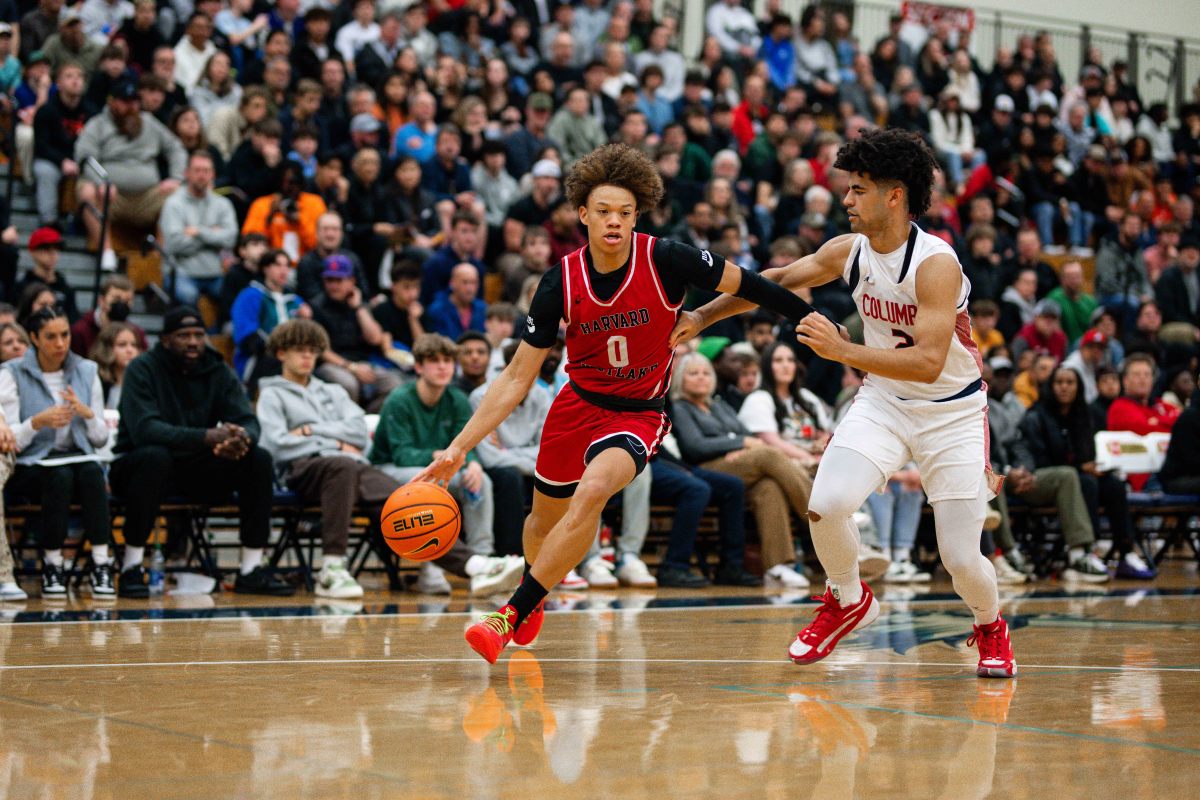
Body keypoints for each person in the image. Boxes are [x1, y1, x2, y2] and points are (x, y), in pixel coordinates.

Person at [412, 142, 817, 664]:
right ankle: (536, 596)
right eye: (603, 211)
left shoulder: (666, 257)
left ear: (636, 216)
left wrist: (805, 319)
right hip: (576, 406)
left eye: (625, 213)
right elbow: (516, 377)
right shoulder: (561, 279)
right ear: (583, 214)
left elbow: (753, 285)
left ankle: (508, 614)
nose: (614, 222)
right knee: (541, 525)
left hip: (639, 413)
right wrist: (458, 447)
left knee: (594, 492)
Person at [676, 128, 1016, 678]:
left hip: (951, 411)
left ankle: (989, 625)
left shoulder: (935, 263)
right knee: (826, 502)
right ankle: (848, 598)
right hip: (884, 400)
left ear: (894, 195)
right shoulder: (848, 251)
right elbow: (774, 281)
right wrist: (699, 318)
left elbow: (929, 361)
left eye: (858, 189)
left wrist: (844, 350)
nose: (846, 199)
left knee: (959, 558)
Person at [257, 320, 522, 599]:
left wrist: (310, 431)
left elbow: (358, 431)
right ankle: (332, 567)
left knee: (410, 500)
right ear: (281, 354)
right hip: (301, 470)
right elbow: (277, 444)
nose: (308, 356)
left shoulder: (332, 391)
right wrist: (335, 441)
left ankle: (474, 564)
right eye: (300, 350)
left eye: (312, 350)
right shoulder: (272, 394)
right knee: (345, 465)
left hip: (350, 470)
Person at [110, 306, 293, 598]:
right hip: (139, 466)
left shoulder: (217, 368)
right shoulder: (142, 368)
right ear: (166, 340)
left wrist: (241, 439)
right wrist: (207, 437)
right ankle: (131, 567)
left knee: (258, 459)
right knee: (154, 456)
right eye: (184, 335)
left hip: (195, 469)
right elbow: (145, 430)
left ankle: (250, 570)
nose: (194, 341)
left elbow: (248, 420)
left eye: (199, 334)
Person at [370, 334, 502, 592]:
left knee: (479, 480)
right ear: (418, 367)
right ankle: (430, 565)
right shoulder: (399, 399)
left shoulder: (457, 400)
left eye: (447, 360)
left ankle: (484, 562)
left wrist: (473, 462)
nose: (442, 366)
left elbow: (467, 443)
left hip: (439, 468)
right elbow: (401, 454)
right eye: (433, 361)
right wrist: (438, 457)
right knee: (430, 483)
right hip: (389, 470)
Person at [669, 352, 812, 588]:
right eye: (693, 374)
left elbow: (745, 432)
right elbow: (695, 446)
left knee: (769, 486)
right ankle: (820, 513)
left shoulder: (718, 405)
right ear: (681, 379)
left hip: (739, 464)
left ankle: (778, 567)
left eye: (706, 373)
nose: (701, 378)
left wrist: (741, 446)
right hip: (704, 467)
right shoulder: (680, 407)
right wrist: (739, 444)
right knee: (768, 453)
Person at [0, 306, 114, 597]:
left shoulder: (87, 370)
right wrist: (38, 422)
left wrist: (88, 414)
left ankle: (101, 562)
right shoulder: (11, 373)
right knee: (59, 475)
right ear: (35, 339)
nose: (61, 343)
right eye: (51, 337)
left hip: (79, 459)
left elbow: (101, 440)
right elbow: (11, 441)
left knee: (91, 472)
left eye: (65, 335)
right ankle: (52, 564)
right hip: (32, 464)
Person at [1021, 365, 1154, 580]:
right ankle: (1087, 550)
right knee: (1087, 483)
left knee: (1113, 485)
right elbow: (1040, 461)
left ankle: (1126, 552)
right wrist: (1082, 468)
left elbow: (1088, 455)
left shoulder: (1084, 414)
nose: (1064, 387)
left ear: (1079, 387)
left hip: (1079, 475)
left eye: (1070, 382)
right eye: (1059, 382)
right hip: (1050, 479)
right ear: (1050, 386)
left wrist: (1094, 467)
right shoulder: (1037, 415)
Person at [74, 75, 187, 271]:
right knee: (86, 192)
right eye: (125, 102)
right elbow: (85, 158)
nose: (130, 107)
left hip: (146, 197)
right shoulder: (98, 124)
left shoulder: (149, 123)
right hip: (111, 196)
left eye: (134, 102)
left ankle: (159, 256)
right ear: (112, 102)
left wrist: (176, 178)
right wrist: (102, 181)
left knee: (177, 195)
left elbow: (176, 148)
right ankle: (106, 252)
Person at [310, 255, 400, 408]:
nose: (334, 285)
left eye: (339, 280)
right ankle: (352, 425)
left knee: (394, 385)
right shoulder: (316, 307)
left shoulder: (358, 304)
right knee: (348, 384)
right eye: (329, 280)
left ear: (352, 281)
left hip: (363, 362)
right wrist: (351, 367)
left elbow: (376, 338)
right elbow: (320, 350)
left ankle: (370, 419)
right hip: (332, 365)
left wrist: (359, 308)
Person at [160, 150, 238, 307]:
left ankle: (219, 330)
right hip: (182, 273)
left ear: (213, 174)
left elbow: (231, 239)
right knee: (187, 295)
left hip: (215, 273)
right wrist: (213, 236)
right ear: (187, 173)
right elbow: (174, 244)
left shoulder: (223, 204)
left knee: (236, 294)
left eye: (206, 171)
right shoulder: (174, 204)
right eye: (197, 170)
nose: (202, 175)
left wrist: (199, 232)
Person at [230, 248, 307, 383]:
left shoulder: (295, 300)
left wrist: (307, 320)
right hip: (259, 360)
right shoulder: (250, 295)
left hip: (293, 358)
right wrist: (281, 350)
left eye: (287, 266)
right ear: (265, 268)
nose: (283, 271)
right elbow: (247, 338)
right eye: (277, 265)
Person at [1106, 354, 1180, 491]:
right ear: (1125, 381)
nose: (1142, 379)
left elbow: (1182, 421)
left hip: (1168, 470)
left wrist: (1157, 421)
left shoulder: (1158, 404)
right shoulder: (1119, 407)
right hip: (1141, 476)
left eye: (1147, 375)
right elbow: (1144, 430)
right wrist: (1165, 423)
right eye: (1137, 374)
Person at [70, 275, 145, 358]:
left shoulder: (136, 333)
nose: (122, 304)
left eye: (127, 301)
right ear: (101, 301)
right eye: (116, 299)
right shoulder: (80, 332)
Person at [14, 227, 78, 322]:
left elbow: (72, 321)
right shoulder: (21, 287)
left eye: (56, 248)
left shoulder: (66, 289)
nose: (53, 253)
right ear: (33, 252)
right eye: (46, 248)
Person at [428, 263, 487, 341]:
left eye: (474, 282)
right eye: (465, 282)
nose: (469, 288)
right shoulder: (437, 310)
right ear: (452, 283)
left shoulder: (483, 309)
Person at [89, 320, 141, 409]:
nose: (130, 350)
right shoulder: (96, 381)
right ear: (107, 349)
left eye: (133, 345)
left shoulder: (143, 381)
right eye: (122, 345)